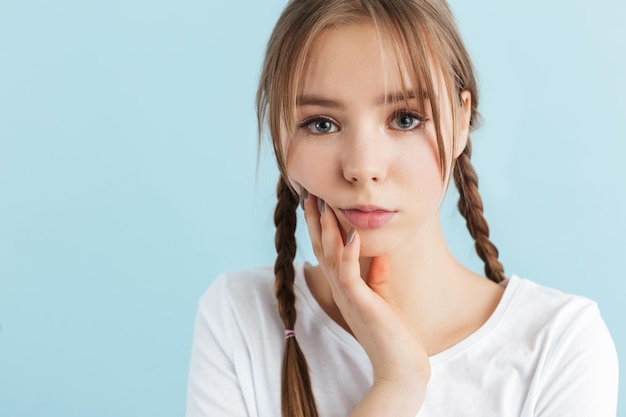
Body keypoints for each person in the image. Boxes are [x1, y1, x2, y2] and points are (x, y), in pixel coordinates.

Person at [186, 0, 618, 416]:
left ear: (461, 120)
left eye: (405, 119)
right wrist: (399, 384)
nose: (363, 167)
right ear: (280, 136)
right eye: (321, 124)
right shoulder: (239, 317)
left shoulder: (559, 347)